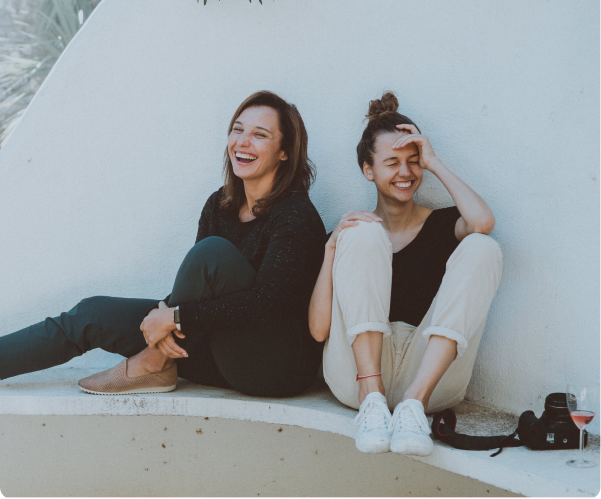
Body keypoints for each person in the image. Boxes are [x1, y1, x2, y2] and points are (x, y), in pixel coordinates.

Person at [0, 91, 326, 398]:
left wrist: (176, 317)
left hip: (272, 367)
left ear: (285, 151)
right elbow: (197, 287)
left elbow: (266, 302)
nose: (242, 141)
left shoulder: (295, 214)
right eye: (237, 129)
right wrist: (165, 314)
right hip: (213, 350)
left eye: (260, 134)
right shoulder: (220, 205)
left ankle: (154, 363)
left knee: (211, 253)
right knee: (90, 314)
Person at [308, 92, 502, 455]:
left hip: (429, 379)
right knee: (362, 231)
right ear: (369, 170)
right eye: (392, 162)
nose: (405, 172)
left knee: (482, 245)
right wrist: (331, 247)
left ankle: (412, 404)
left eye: (413, 162)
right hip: (356, 377)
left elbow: (483, 222)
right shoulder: (352, 235)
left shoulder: (443, 224)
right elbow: (319, 330)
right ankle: (372, 397)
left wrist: (435, 163)